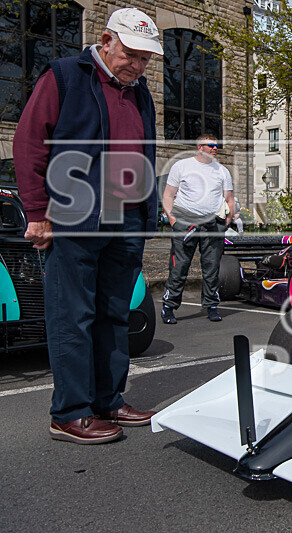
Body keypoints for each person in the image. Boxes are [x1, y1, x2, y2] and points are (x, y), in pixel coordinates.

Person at [12, 8, 163, 444]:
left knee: (115, 313)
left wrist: (145, 215)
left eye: (145, 59)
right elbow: (29, 144)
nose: (136, 65)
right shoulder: (64, 75)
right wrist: (38, 213)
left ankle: (108, 399)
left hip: (124, 214)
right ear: (106, 40)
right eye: (130, 54)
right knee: (73, 315)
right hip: (74, 213)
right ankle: (70, 412)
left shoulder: (140, 92)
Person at [161, 134, 235, 324]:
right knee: (180, 266)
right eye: (211, 145)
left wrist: (226, 221)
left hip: (213, 224)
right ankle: (169, 306)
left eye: (217, 146)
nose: (215, 148)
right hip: (185, 222)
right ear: (200, 147)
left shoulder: (222, 171)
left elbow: (229, 199)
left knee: (212, 268)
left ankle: (211, 306)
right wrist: (173, 220)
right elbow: (169, 195)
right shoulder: (182, 166)